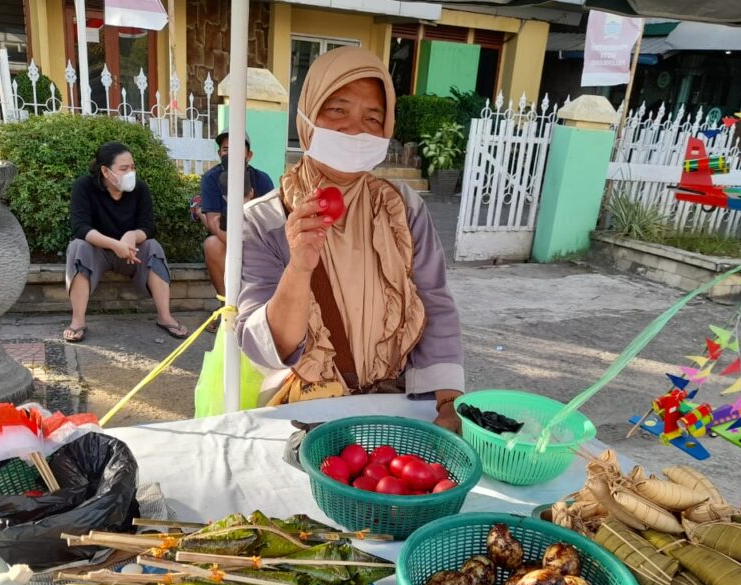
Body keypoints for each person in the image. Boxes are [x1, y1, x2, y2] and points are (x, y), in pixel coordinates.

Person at [234, 47, 464, 432]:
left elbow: (434, 301)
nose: (356, 128)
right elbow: (267, 349)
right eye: (338, 110)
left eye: (373, 117)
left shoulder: (401, 209)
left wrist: (449, 401)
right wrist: (300, 267)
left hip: (396, 401)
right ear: (306, 114)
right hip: (306, 409)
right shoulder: (264, 220)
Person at [64, 141, 188, 343]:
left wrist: (131, 236)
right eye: (123, 168)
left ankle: (165, 317)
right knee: (78, 247)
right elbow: (80, 227)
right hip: (98, 251)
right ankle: (78, 321)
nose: (130, 172)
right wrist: (115, 245)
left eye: (132, 167)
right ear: (105, 171)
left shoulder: (140, 189)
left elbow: (148, 227)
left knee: (153, 247)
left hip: (132, 254)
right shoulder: (84, 186)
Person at [201, 132, 275, 300]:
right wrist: (238, 245)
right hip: (225, 237)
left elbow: (270, 220)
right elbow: (213, 221)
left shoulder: (262, 180)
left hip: (257, 239)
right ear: (220, 154)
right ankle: (226, 305)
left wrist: (252, 245)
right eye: (226, 149)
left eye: (237, 149)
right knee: (211, 244)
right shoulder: (210, 179)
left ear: (249, 155)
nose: (231, 154)